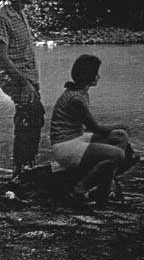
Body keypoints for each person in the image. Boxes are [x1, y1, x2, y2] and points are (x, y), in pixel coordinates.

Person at [50, 54, 139, 205]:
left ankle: (106, 184)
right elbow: (95, 128)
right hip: (65, 146)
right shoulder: (77, 98)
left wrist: (120, 129)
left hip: (74, 138)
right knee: (118, 154)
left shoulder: (80, 93)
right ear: (88, 76)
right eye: (96, 73)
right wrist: (120, 124)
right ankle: (80, 189)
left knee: (120, 136)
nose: (99, 76)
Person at [0, 0, 45, 180]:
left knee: (35, 116)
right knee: (27, 117)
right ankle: (20, 169)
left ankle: (27, 164)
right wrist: (24, 83)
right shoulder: (0, 18)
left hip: (27, 77)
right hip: (16, 79)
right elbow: (2, 58)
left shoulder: (20, 14)